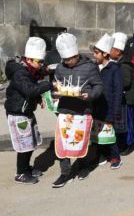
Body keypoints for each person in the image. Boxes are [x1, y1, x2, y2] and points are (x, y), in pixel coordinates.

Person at [52, 33, 103, 188]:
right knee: (62, 144)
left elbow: (99, 86)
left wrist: (90, 95)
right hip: (65, 110)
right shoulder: (60, 67)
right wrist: (55, 90)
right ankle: (65, 174)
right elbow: (56, 84)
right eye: (64, 60)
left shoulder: (90, 67)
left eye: (69, 59)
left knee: (82, 142)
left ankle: (84, 166)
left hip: (82, 111)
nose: (67, 62)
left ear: (76, 55)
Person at [5, 37, 54, 184]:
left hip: (25, 111)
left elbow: (29, 91)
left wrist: (38, 100)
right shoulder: (21, 73)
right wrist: (49, 85)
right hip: (17, 113)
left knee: (31, 141)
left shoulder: (29, 71)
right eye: (39, 62)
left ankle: (26, 168)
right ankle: (20, 173)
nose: (41, 65)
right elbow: (29, 89)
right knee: (24, 145)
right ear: (29, 60)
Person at [90, 33, 122, 169]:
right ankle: (101, 156)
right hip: (96, 106)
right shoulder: (95, 68)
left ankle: (115, 157)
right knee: (97, 133)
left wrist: (116, 111)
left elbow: (118, 91)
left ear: (104, 54)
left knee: (109, 133)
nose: (94, 55)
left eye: (96, 53)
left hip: (109, 107)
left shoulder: (114, 69)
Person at [111, 32, 134, 156]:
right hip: (125, 99)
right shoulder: (120, 63)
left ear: (118, 51)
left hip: (129, 99)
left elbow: (126, 82)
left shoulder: (123, 66)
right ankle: (124, 142)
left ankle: (130, 144)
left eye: (111, 49)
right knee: (123, 123)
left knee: (129, 123)